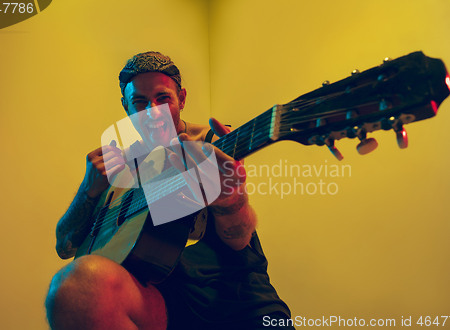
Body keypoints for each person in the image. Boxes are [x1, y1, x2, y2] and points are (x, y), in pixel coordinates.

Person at [45, 51, 294, 330]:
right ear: (126, 106)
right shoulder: (118, 166)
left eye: (163, 98)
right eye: (140, 102)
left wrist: (228, 195)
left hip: (235, 298)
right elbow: (64, 247)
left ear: (182, 98)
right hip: (161, 300)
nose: (153, 112)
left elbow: (239, 239)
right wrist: (88, 190)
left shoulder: (210, 144)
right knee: (72, 288)